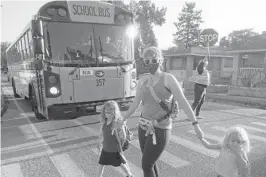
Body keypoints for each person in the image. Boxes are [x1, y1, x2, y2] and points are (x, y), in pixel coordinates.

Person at [122, 46, 204, 177]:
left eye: (154, 60)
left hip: (160, 128)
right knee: (150, 163)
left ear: (160, 60)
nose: (151, 64)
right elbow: (135, 103)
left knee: (146, 164)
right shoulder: (142, 80)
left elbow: (182, 101)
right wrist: (123, 119)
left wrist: (195, 124)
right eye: (147, 61)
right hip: (143, 126)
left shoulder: (168, 78)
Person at [96, 100, 133, 177]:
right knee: (100, 164)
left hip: (114, 150)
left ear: (114, 113)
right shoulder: (104, 122)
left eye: (109, 112)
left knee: (120, 163)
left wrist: (121, 145)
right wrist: (99, 142)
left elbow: (123, 136)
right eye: (105, 112)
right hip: (105, 149)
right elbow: (101, 133)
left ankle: (129, 174)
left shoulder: (117, 123)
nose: (107, 114)